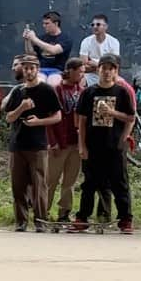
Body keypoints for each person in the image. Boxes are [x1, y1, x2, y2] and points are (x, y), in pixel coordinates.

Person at [73, 54, 134, 233]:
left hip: (114, 146)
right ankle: (82, 217)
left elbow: (129, 117)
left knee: (119, 183)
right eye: (104, 68)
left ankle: (125, 219)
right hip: (93, 146)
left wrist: (122, 134)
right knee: (89, 184)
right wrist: (82, 146)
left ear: (115, 71)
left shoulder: (122, 92)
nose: (107, 72)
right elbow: (82, 121)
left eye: (111, 69)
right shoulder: (89, 93)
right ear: (98, 69)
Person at [5, 55, 61, 231]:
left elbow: (57, 116)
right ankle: (21, 222)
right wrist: (21, 107)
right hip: (17, 144)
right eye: (26, 68)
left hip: (37, 145)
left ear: (37, 69)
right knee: (18, 185)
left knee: (39, 185)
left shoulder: (47, 90)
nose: (29, 71)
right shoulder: (17, 91)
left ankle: (40, 221)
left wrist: (38, 122)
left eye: (32, 68)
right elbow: (8, 117)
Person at [47, 57, 85, 223]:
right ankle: (43, 210)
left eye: (83, 71)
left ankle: (64, 213)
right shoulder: (57, 90)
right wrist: (52, 141)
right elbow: (49, 117)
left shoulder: (82, 91)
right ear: (70, 70)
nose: (82, 74)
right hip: (60, 142)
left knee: (69, 181)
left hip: (76, 142)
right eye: (79, 71)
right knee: (51, 180)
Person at [22, 12, 72, 87]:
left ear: (56, 24)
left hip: (57, 70)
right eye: (43, 23)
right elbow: (31, 54)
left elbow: (54, 50)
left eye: (47, 23)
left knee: (53, 84)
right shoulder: (42, 38)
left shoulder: (65, 38)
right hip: (41, 69)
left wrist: (34, 39)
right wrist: (27, 40)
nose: (44, 26)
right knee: (39, 84)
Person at [79, 14, 120, 86]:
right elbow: (83, 66)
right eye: (92, 25)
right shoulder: (86, 41)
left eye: (98, 24)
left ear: (106, 27)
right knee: (80, 82)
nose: (95, 27)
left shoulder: (114, 42)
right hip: (89, 76)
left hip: (108, 75)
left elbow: (114, 65)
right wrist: (103, 65)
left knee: (121, 84)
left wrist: (96, 64)